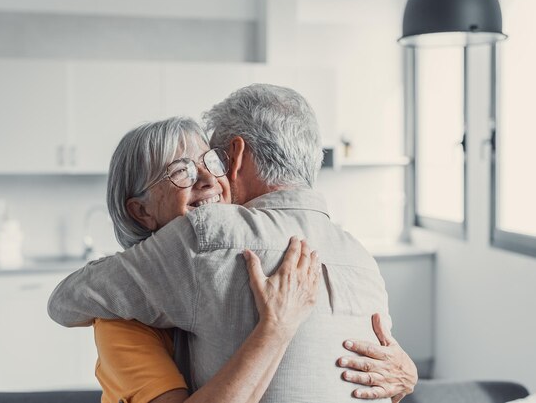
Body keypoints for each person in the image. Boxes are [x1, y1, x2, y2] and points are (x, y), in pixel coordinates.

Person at [49, 85, 418, 402]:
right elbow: (63, 301)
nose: (208, 178)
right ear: (140, 211)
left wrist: (407, 374)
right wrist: (275, 329)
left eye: (212, 161)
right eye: (181, 171)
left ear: (234, 159)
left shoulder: (224, 246)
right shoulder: (124, 318)